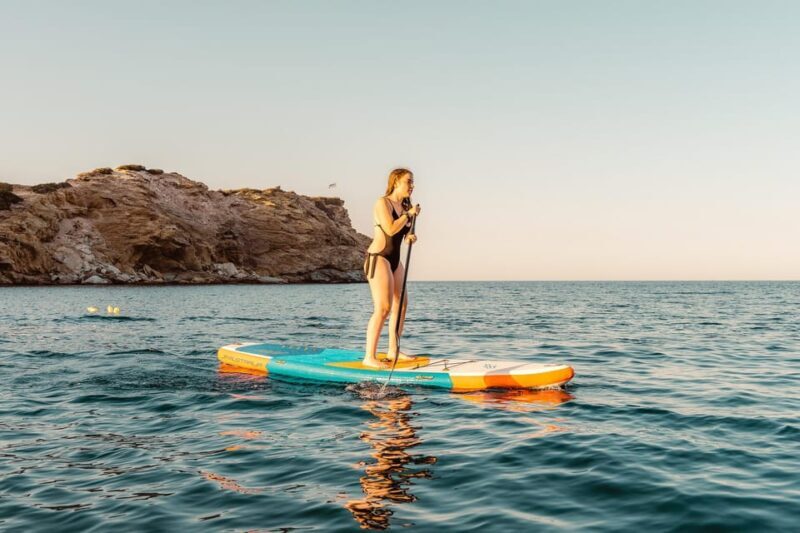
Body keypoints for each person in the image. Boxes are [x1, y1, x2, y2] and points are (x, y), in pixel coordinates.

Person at [362, 168, 421, 368]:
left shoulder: (406, 206)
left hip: (395, 259)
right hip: (378, 257)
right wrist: (408, 215)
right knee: (383, 307)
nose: (412, 186)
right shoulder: (382, 203)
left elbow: (402, 234)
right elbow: (389, 228)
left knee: (401, 304)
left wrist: (409, 236)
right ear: (396, 181)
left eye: (413, 182)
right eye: (408, 182)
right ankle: (369, 357)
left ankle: (393, 349)